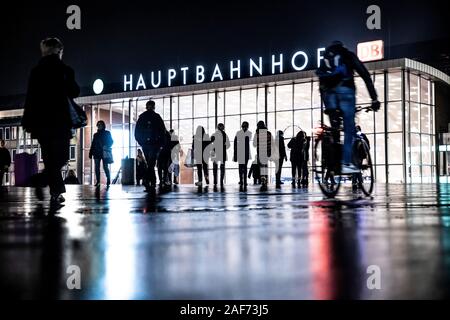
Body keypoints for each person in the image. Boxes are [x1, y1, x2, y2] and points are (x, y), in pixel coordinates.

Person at [22, 37, 80, 207]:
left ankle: (54, 191)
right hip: (60, 121)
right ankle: (43, 183)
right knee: (61, 157)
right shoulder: (64, 70)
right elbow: (74, 91)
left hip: (41, 123)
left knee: (49, 158)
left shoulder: (36, 71)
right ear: (58, 51)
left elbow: (30, 98)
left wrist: (28, 120)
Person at [316, 40, 380, 174]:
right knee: (349, 127)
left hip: (329, 95)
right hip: (346, 91)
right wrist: (374, 98)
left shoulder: (326, 59)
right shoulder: (348, 55)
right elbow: (365, 75)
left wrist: (328, 106)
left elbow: (321, 84)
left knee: (335, 128)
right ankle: (346, 163)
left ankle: (333, 164)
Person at [135, 100, 167, 191]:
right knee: (151, 163)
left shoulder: (142, 117)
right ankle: (150, 181)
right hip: (154, 144)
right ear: (154, 107)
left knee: (150, 163)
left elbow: (137, 132)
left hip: (146, 144)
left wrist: (141, 142)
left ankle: (149, 181)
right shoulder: (157, 117)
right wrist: (161, 144)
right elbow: (162, 131)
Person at [89, 120, 114, 187]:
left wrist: (106, 145)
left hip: (104, 152)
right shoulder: (95, 135)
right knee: (97, 167)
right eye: (98, 124)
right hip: (96, 152)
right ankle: (98, 181)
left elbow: (111, 141)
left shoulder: (107, 133)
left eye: (100, 124)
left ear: (103, 125)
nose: (99, 126)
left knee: (105, 167)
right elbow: (93, 144)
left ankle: (108, 179)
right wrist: (90, 153)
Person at [253, 121, 273, 191]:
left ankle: (263, 180)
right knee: (265, 166)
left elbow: (254, 144)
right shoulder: (268, 133)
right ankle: (266, 179)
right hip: (267, 152)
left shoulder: (257, 134)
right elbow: (271, 143)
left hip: (260, 152)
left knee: (261, 167)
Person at [233, 121, 252, 191]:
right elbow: (236, 143)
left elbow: (238, 142)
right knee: (242, 167)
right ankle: (243, 180)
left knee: (242, 167)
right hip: (242, 153)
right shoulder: (247, 133)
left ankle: (243, 180)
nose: (244, 127)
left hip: (242, 152)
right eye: (244, 126)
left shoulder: (240, 133)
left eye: (245, 126)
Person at [211, 123, 230, 188]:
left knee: (215, 167)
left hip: (216, 151)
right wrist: (224, 147)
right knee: (222, 167)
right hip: (222, 152)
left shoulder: (215, 134)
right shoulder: (224, 135)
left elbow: (211, 141)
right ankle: (221, 181)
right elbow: (228, 144)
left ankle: (215, 181)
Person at [352, 125, 370, 191]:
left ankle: (355, 182)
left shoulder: (354, 136)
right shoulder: (363, 135)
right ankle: (359, 182)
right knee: (358, 168)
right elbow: (367, 144)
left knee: (356, 169)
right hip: (360, 155)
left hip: (356, 155)